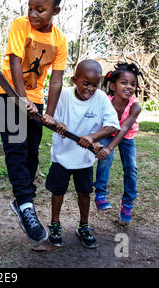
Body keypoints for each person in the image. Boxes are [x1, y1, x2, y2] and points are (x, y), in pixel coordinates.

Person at [0, 0, 68, 243]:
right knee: (15, 148)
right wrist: (20, 97)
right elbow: (15, 61)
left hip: (35, 100)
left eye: (41, 9)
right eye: (31, 7)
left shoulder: (59, 41)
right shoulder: (20, 25)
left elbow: (56, 79)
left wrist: (48, 112)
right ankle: (26, 206)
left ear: (55, 11)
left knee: (31, 153)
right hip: (9, 95)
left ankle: (23, 200)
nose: (33, 14)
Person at [42, 59, 120, 249]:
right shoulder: (63, 95)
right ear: (74, 79)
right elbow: (50, 119)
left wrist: (92, 137)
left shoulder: (101, 98)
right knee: (57, 191)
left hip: (85, 159)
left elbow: (113, 126)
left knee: (84, 193)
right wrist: (57, 125)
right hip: (61, 156)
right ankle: (55, 224)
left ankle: (84, 225)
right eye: (86, 83)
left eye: (95, 84)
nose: (91, 89)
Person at [93, 63, 143, 223]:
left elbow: (124, 128)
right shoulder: (105, 102)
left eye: (133, 84)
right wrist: (99, 144)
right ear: (113, 86)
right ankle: (100, 194)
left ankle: (127, 203)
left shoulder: (135, 106)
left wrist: (109, 147)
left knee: (131, 168)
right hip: (108, 132)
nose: (129, 86)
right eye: (124, 82)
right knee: (104, 160)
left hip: (126, 135)